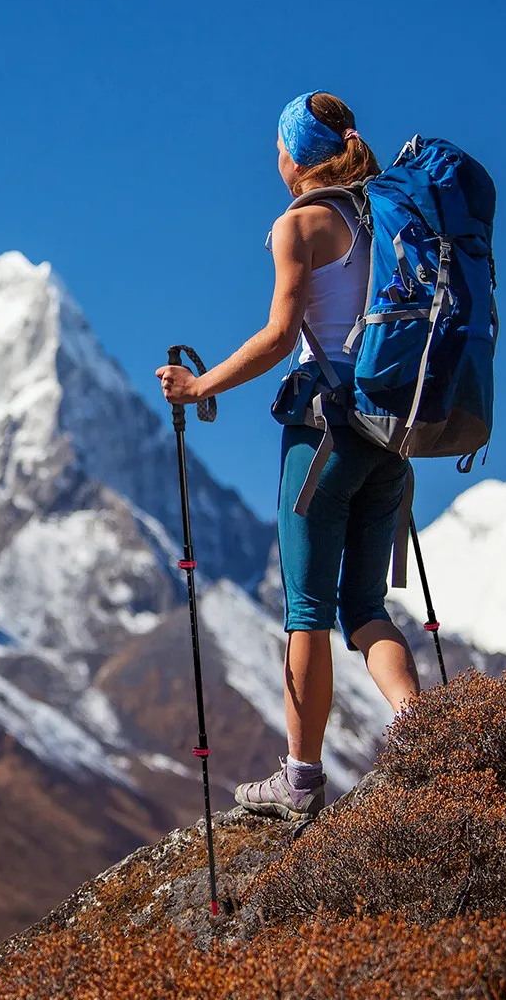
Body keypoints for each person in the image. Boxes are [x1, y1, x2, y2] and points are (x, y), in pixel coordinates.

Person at [155, 91, 420, 824]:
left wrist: (199, 384)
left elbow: (280, 335)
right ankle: (423, 734)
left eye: (278, 146)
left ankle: (301, 777)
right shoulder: (384, 218)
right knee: (366, 607)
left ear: (293, 155)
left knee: (307, 608)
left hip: (325, 436)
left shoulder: (300, 224)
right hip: (390, 437)